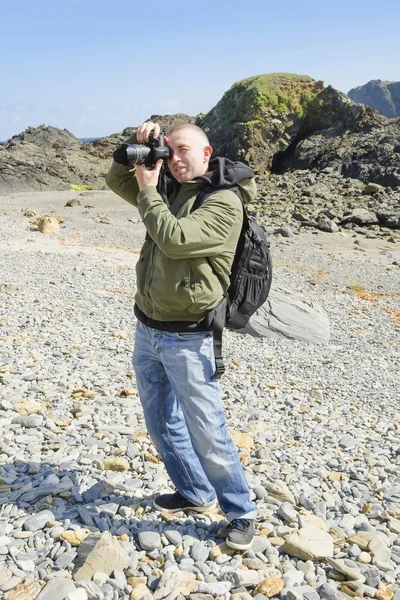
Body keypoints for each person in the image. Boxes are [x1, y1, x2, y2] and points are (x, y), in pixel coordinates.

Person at [105, 120, 257, 550]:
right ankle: (194, 492)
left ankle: (240, 511)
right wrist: (137, 149)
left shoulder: (224, 201)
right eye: (169, 150)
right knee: (161, 424)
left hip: (190, 337)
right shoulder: (170, 186)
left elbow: (174, 240)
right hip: (148, 327)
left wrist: (150, 188)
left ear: (207, 154)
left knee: (207, 429)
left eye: (184, 150)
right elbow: (115, 178)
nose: (175, 158)